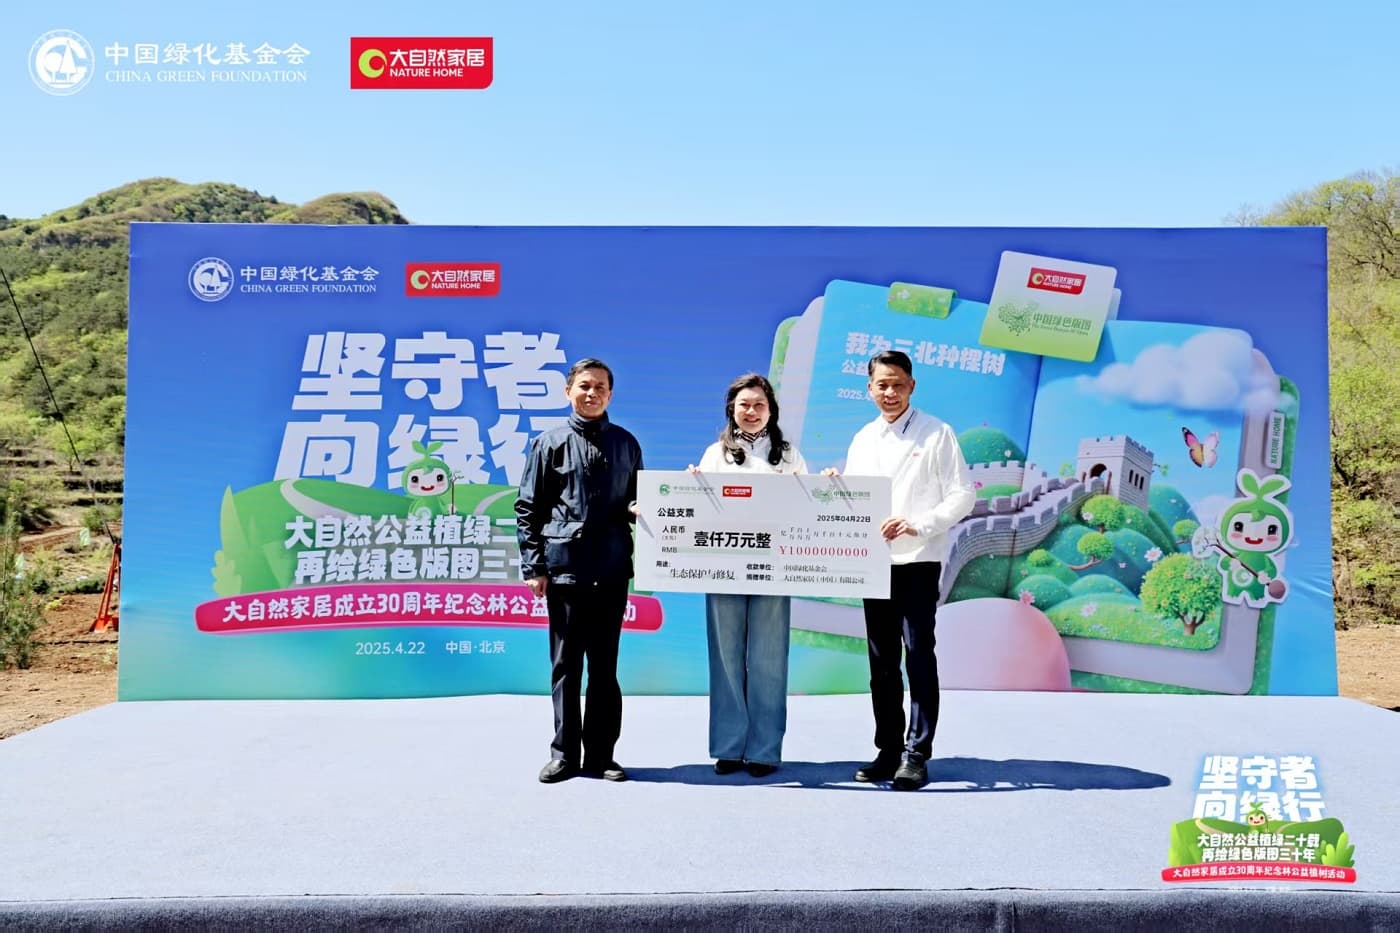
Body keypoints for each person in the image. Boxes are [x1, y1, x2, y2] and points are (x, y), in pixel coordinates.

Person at [834, 350, 975, 790]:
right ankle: (888, 750)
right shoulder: (863, 438)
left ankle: (917, 754)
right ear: (869, 389)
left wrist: (919, 524)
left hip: (918, 560)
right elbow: (855, 497)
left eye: (898, 384)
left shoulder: (937, 433)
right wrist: (834, 490)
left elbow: (963, 495)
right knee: (881, 662)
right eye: (882, 385)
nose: (890, 392)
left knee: (918, 655)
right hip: (873, 562)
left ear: (912, 386)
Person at [516, 358, 643, 784]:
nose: (593, 393)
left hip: (612, 569)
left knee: (605, 669)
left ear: (611, 394)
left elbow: (638, 498)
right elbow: (528, 508)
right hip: (565, 570)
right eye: (585, 386)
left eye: (601, 387)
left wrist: (642, 506)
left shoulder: (626, 443)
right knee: (566, 667)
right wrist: (535, 566)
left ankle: (602, 755)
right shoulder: (548, 443)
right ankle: (565, 755)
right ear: (569, 390)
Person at [690, 374, 807, 777]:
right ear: (732, 409)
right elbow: (698, 506)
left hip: (775, 569)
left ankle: (764, 750)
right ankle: (728, 746)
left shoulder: (789, 455)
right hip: (723, 567)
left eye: (759, 404)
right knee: (726, 657)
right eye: (744, 404)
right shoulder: (715, 454)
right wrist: (689, 487)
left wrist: (823, 489)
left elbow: (809, 509)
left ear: (771, 410)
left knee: (768, 658)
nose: (752, 411)